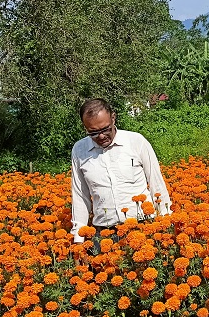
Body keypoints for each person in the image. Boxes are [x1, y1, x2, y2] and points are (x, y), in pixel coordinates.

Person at [70, 98, 171, 246]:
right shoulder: (79, 150)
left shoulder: (136, 141)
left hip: (143, 226)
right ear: (85, 127)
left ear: (113, 118)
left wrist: (166, 224)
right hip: (104, 233)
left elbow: (157, 184)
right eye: (93, 133)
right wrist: (78, 241)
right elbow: (80, 197)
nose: (101, 136)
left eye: (105, 129)